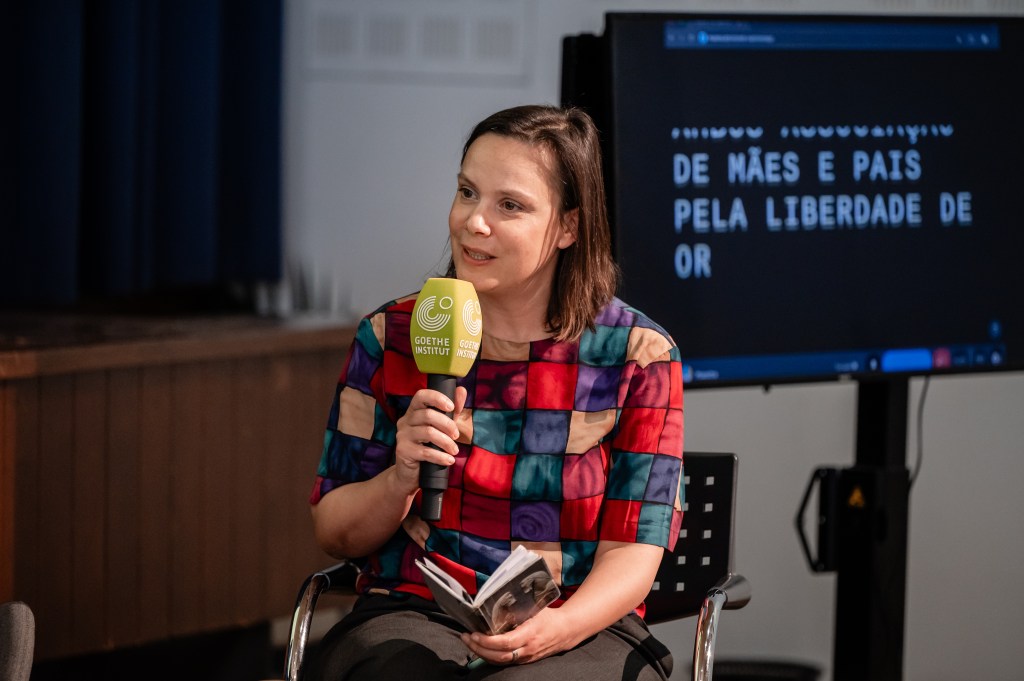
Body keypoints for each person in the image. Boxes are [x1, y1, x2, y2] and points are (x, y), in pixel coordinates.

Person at [307, 104, 684, 680]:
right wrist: (401, 477)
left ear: (568, 227)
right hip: (413, 610)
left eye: (510, 205)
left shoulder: (639, 355)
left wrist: (559, 627)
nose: (473, 222)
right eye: (467, 193)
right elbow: (334, 532)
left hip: (579, 623)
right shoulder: (391, 336)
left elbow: (635, 552)